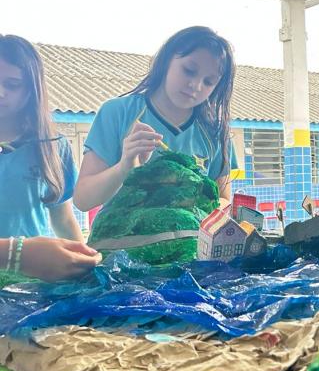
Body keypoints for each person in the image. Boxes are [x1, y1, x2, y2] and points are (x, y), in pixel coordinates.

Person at [75, 27, 238, 211]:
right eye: (189, 70)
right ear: (167, 60)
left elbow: (223, 200)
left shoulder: (215, 132)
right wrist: (124, 167)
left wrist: (191, 206)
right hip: (119, 230)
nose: (196, 85)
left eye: (209, 82)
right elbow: (83, 200)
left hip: (189, 231)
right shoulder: (117, 112)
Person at [0, 34, 100, 281]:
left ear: (31, 90)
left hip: (31, 281)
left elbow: (62, 218)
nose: (1, 92)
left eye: (12, 84)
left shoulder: (53, 147)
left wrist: (85, 267)